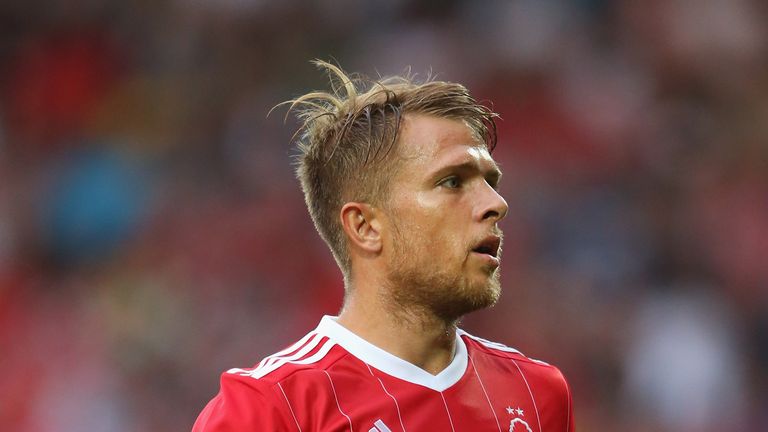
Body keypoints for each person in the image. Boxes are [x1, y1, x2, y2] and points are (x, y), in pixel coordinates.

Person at [193, 60, 574, 432]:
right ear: (365, 226)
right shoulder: (270, 408)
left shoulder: (537, 394)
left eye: (491, 181)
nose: (495, 204)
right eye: (453, 182)